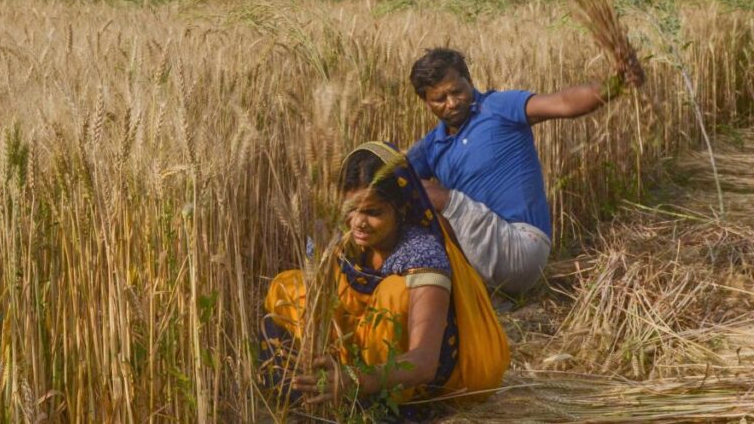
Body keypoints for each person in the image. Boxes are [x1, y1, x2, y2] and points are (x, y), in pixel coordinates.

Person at [259, 142, 509, 420]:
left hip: (413, 376)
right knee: (289, 286)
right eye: (351, 209)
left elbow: (424, 361)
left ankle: (379, 404)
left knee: (394, 293)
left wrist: (354, 380)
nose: (358, 223)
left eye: (373, 212)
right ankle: (303, 389)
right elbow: (319, 305)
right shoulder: (335, 237)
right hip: (357, 359)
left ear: (400, 209)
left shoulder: (422, 253)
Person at [407, 47, 643, 295]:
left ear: (469, 80)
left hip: (521, 246)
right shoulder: (432, 145)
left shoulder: (498, 107)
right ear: (426, 102)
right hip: (476, 255)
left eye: (457, 91)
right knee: (406, 188)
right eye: (440, 99)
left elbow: (563, 103)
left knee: (429, 193)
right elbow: (393, 173)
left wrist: (614, 86)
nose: (452, 103)